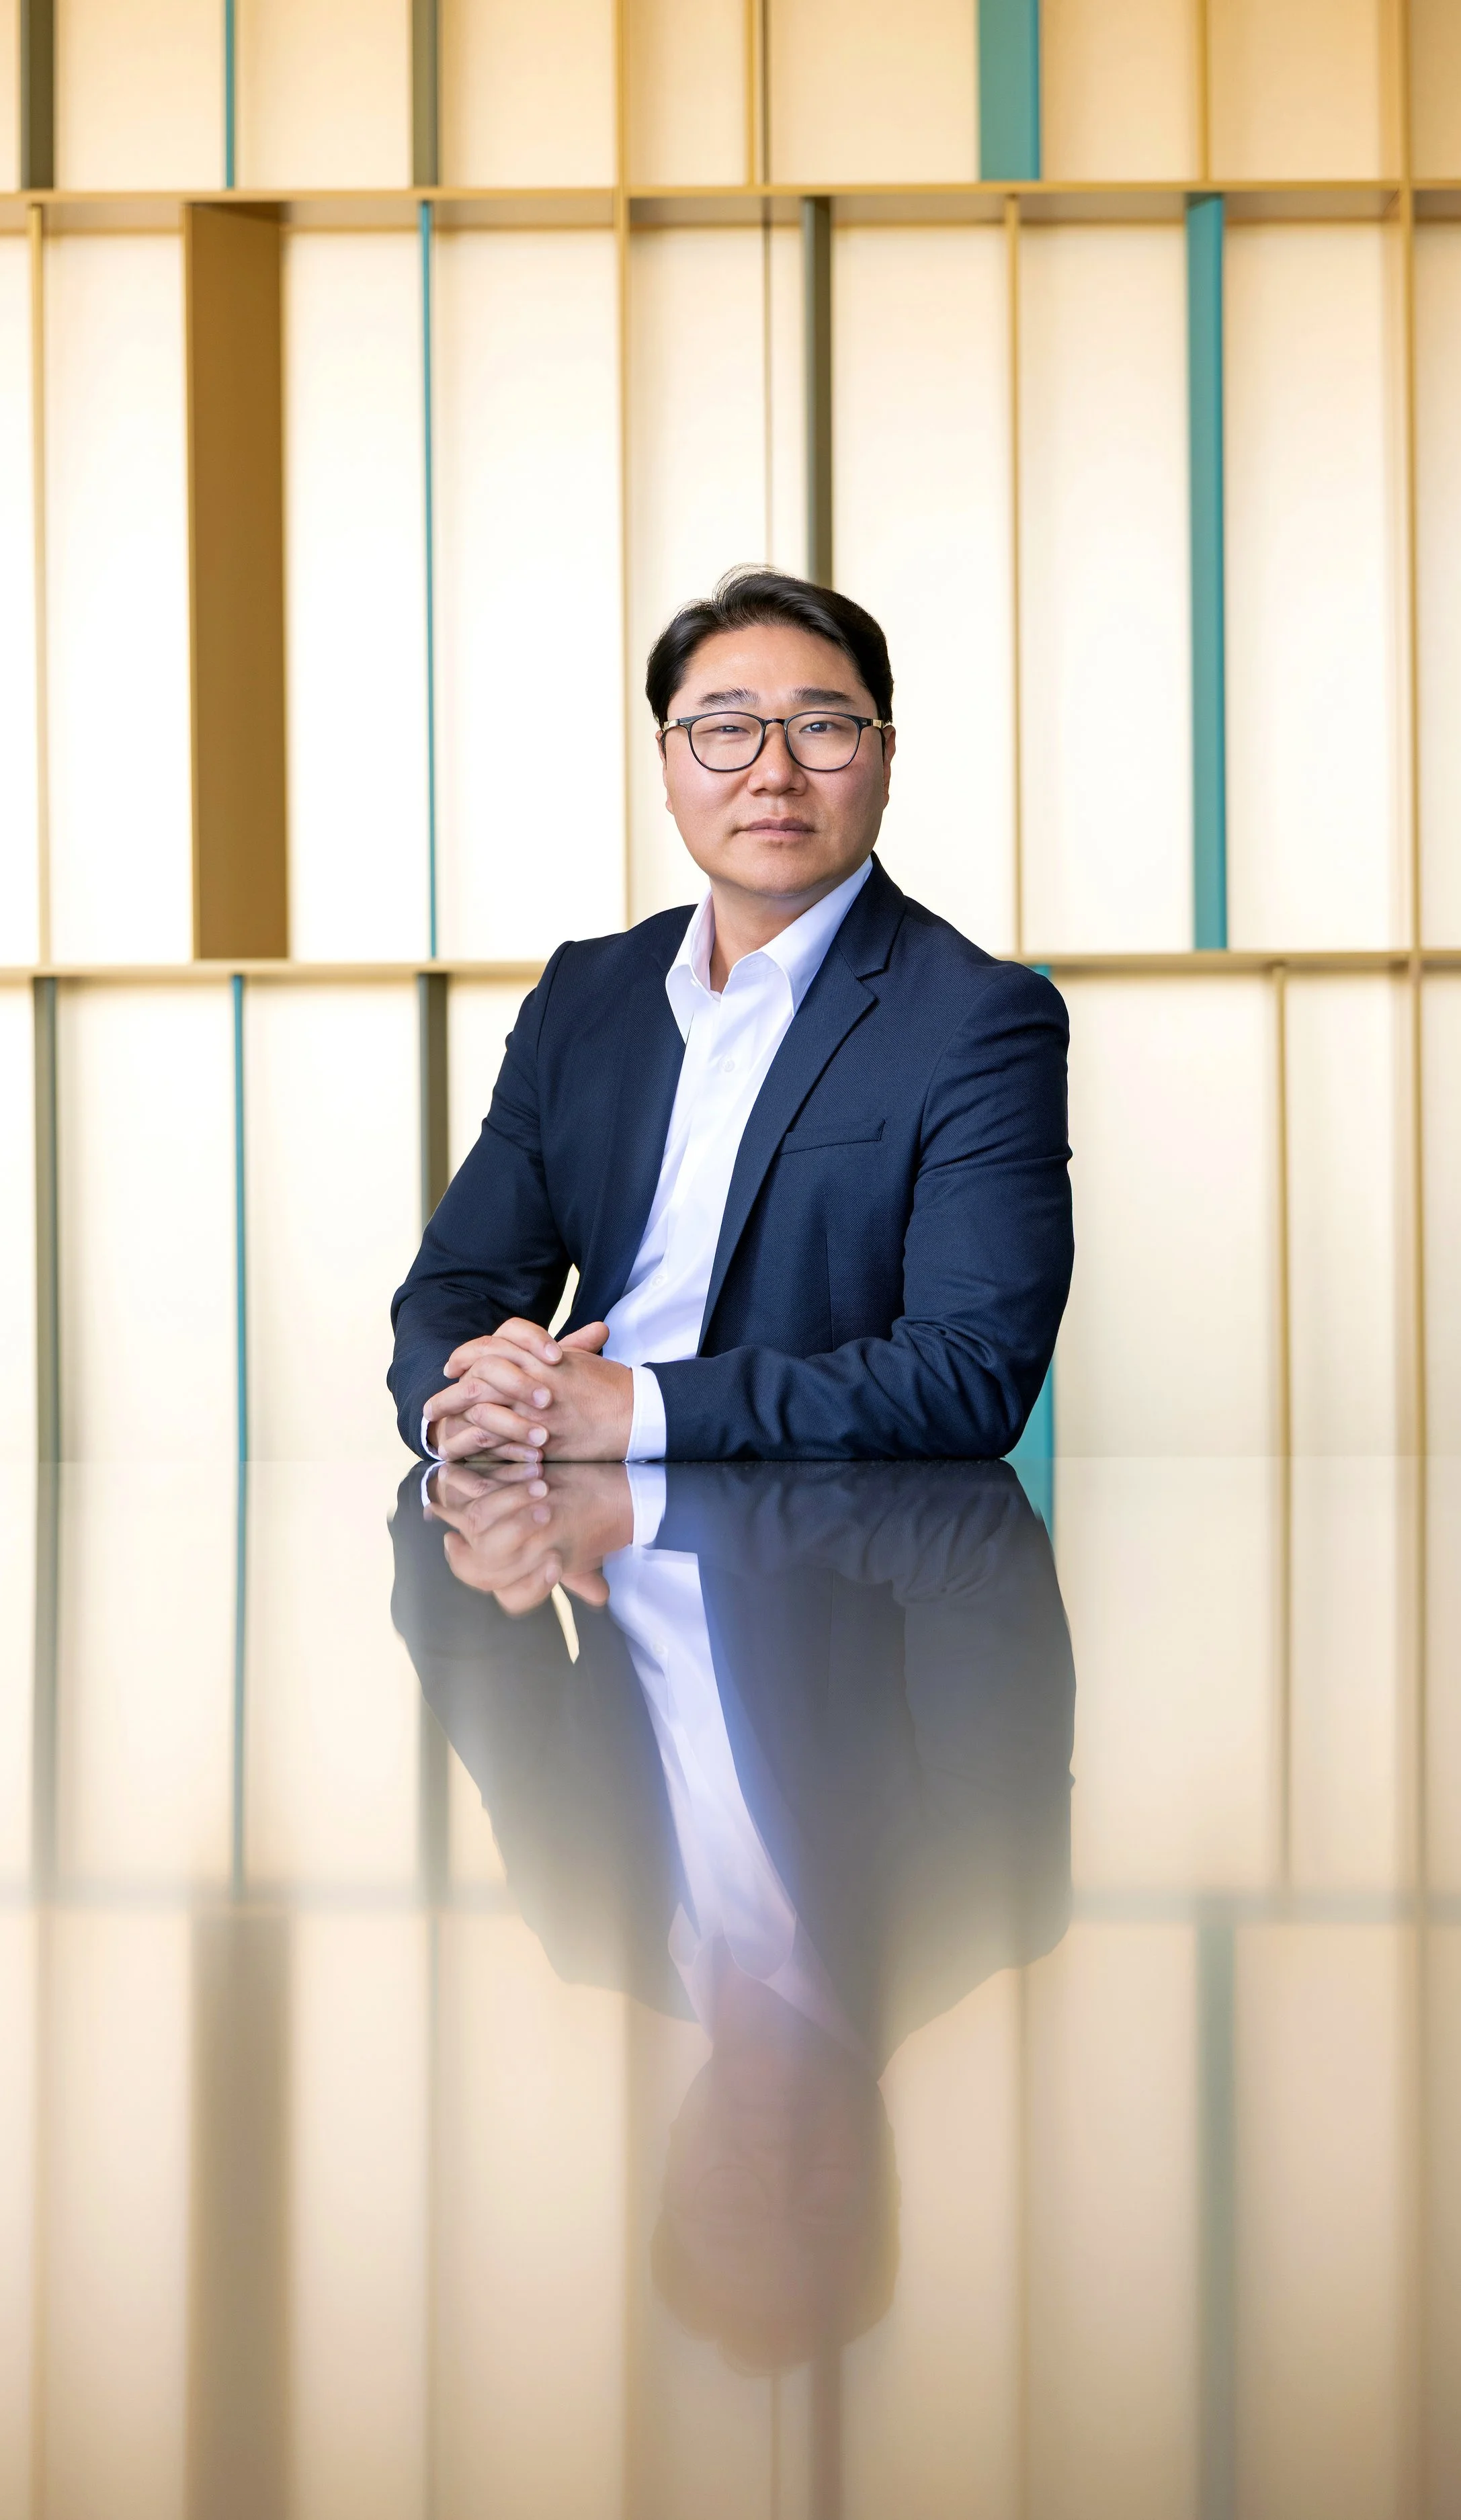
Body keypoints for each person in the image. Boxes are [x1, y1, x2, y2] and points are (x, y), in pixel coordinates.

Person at [388, 1452, 1075, 2371]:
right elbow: (971, 1539)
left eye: (729, 2202)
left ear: (673, 2156)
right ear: (888, 2169)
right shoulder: (992, 1897)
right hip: (805, 1403)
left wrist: (474, 1481)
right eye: (820, 2206)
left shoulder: (581, 1913)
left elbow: (459, 1635)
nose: (773, 2158)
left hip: (569, 1433)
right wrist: (667, 1498)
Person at [389, 566, 1072, 1464]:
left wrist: (637, 1410)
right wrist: (461, 1407)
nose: (775, 774)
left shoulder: (978, 1019)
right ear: (668, 767)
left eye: (821, 727)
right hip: (569, 1505)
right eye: (725, 730)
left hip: (819, 1537)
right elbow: (457, 1286)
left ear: (885, 759)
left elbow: (969, 1373)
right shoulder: (584, 995)